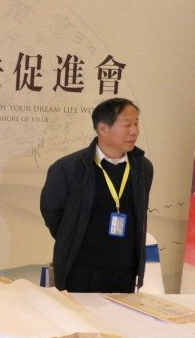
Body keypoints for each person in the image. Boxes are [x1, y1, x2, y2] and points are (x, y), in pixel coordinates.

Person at [40, 98, 152, 293]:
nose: (134, 131)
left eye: (136, 123)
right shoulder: (69, 167)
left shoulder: (143, 167)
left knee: (119, 313)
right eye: (127, 124)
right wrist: (71, 237)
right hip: (80, 268)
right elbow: (52, 211)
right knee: (76, 314)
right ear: (103, 129)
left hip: (124, 271)